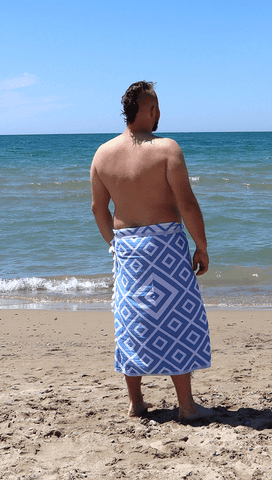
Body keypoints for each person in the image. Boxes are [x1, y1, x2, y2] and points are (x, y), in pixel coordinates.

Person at [90, 81, 212, 421]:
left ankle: (136, 403)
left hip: (127, 249)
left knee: (132, 319)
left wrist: (114, 246)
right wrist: (201, 246)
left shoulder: (102, 155)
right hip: (166, 246)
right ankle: (186, 406)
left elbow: (98, 209)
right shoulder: (167, 149)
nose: (159, 113)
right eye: (157, 107)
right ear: (150, 111)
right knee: (178, 319)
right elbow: (186, 203)